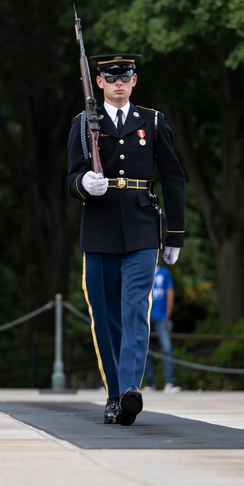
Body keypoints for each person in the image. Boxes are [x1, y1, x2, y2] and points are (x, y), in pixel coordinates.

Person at [66, 53, 186, 426]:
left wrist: (175, 234)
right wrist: (84, 183)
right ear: (98, 82)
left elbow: (172, 177)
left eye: (126, 76)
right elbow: (70, 178)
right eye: (110, 76)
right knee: (105, 316)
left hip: (140, 227)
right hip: (99, 228)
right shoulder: (83, 123)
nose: (119, 82)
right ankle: (115, 393)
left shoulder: (152, 121)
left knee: (135, 307)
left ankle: (131, 389)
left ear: (135, 81)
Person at [144, 263, 180, 392]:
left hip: (161, 317)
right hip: (145, 316)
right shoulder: (142, 271)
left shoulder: (164, 272)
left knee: (166, 348)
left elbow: (170, 293)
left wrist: (167, 315)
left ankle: (170, 381)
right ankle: (149, 382)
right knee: (145, 350)